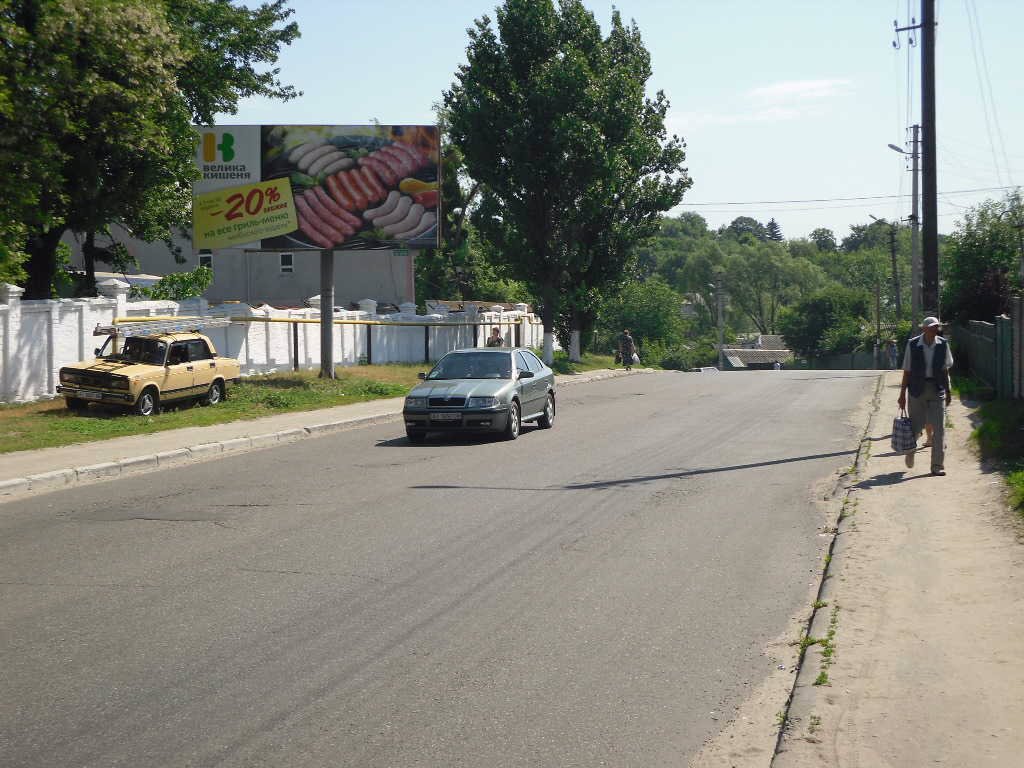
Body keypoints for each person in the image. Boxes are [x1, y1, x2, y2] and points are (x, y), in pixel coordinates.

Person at [897, 316, 954, 476]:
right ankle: (910, 451)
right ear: (924, 329)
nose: (934, 329)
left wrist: (948, 391)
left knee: (940, 430)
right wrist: (902, 395)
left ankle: (937, 466)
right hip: (916, 389)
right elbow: (907, 371)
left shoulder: (943, 344)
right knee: (915, 428)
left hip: (937, 389)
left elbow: (945, 369)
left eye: (936, 327)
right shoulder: (913, 344)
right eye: (931, 327)